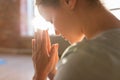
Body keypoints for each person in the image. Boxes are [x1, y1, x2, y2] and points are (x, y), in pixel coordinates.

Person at [32, 0, 120, 80]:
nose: (56, 32)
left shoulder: (81, 60)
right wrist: (53, 73)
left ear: (69, 1)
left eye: (51, 20)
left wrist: (40, 74)